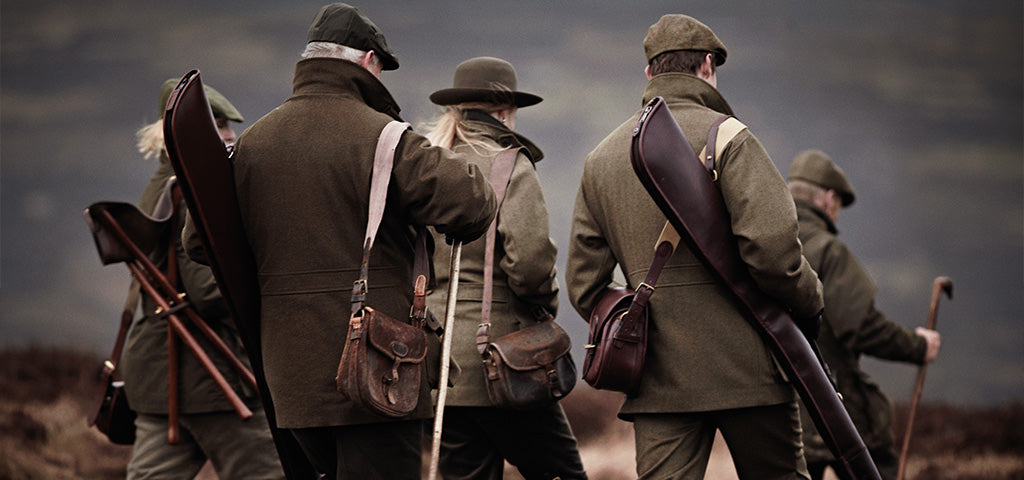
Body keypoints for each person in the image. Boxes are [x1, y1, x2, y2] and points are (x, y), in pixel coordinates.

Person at [227, 4, 497, 479]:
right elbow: (472, 202)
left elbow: (199, 243)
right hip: (378, 369)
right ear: (368, 61)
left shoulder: (251, 144)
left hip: (289, 378)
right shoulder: (384, 138)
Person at [566, 14, 825, 479]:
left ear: (650, 73)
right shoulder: (731, 138)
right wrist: (812, 301)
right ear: (707, 66)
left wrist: (639, 330)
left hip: (660, 380)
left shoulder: (601, 158)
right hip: (751, 370)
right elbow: (774, 257)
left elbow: (585, 286)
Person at [421, 56, 587, 480]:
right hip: (507, 363)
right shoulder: (510, 164)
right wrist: (543, 308)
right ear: (504, 112)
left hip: (441, 369)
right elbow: (531, 268)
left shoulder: (426, 165)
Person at [124, 78, 284, 479]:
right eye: (216, 124)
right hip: (212, 376)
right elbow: (210, 291)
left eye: (227, 124)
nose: (229, 135)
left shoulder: (162, 185)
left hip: (160, 375)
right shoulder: (186, 192)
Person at [786, 150, 941, 480]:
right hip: (834, 404)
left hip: (781, 411)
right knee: (876, 469)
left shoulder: (765, 246)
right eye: (839, 203)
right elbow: (863, 327)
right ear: (829, 198)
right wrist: (917, 346)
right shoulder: (830, 251)